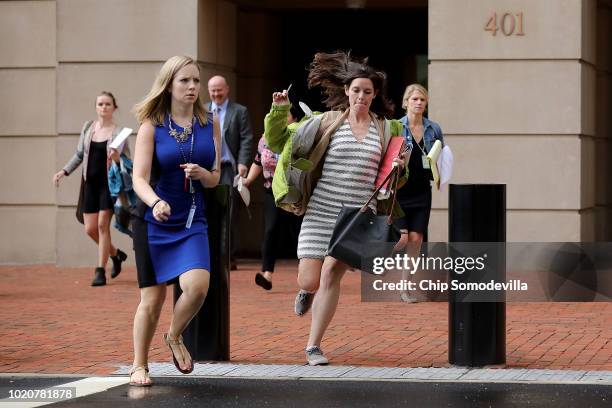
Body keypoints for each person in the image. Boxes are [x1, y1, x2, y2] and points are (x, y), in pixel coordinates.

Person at [265, 52, 407, 365]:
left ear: (375, 95)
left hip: (356, 216)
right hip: (321, 209)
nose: (361, 96)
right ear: (346, 90)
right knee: (310, 280)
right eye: (356, 90)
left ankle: (313, 346)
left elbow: (393, 180)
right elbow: (277, 141)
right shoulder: (325, 122)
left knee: (332, 274)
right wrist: (279, 110)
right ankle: (305, 292)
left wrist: (400, 166)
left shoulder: (386, 129)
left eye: (368, 92)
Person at [129, 56, 221, 386]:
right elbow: (138, 178)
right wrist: (155, 202)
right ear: (169, 85)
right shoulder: (151, 127)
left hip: (192, 221)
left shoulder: (210, 123)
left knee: (197, 288)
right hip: (154, 221)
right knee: (152, 301)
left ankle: (174, 335)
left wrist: (204, 174)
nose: (193, 87)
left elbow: (216, 177)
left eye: (196, 81)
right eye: (185, 81)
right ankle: (139, 365)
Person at [52, 91, 129, 287]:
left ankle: (100, 271)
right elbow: (79, 155)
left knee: (103, 225)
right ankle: (115, 254)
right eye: (100, 104)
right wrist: (64, 171)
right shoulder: (88, 129)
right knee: (90, 229)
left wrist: (117, 158)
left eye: (107, 104)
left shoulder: (120, 133)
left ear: (114, 107)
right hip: (89, 185)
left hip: (109, 186)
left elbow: (127, 162)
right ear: (96, 107)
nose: (104, 107)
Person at [243, 105, 304, 290]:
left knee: (299, 232)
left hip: (295, 192)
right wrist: (247, 181)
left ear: (294, 119)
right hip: (271, 191)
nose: (280, 120)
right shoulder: (265, 138)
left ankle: (306, 275)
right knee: (271, 230)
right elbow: (257, 161)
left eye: (285, 116)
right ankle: (267, 274)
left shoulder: (300, 137)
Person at [394, 84, 444, 303]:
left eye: (422, 100)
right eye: (414, 99)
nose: (418, 103)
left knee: (416, 239)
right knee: (403, 238)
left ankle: (405, 287)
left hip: (423, 190)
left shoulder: (434, 129)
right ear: (406, 102)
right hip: (400, 189)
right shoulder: (396, 126)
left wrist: (440, 173)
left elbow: (441, 154)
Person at [207, 75, 253, 270]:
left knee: (228, 212)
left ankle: (227, 256)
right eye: (213, 91)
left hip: (228, 168)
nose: (216, 94)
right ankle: (209, 254)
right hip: (207, 169)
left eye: (219, 90)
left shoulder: (239, 111)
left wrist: (243, 163)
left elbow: (246, 138)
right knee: (208, 210)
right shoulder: (201, 110)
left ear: (227, 89)